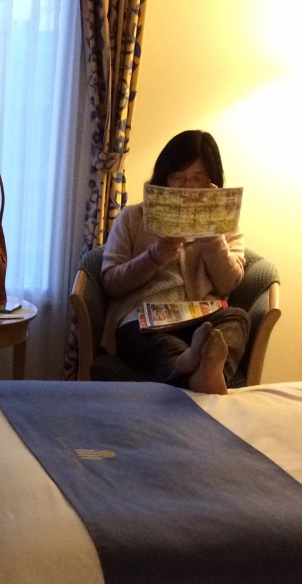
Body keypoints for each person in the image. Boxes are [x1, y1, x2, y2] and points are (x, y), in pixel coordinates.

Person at [100, 130, 247, 395]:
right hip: (144, 316)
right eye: (177, 177)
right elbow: (111, 282)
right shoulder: (132, 217)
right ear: (163, 178)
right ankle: (192, 370)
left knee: (236, 318)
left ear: (212, 182)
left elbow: (229, 283)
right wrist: (154, 256)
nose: (186, 187)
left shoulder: (225, 225)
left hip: (199, 315)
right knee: (159, 343)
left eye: (197, 178)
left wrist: (212, 236)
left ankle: (208, 372)